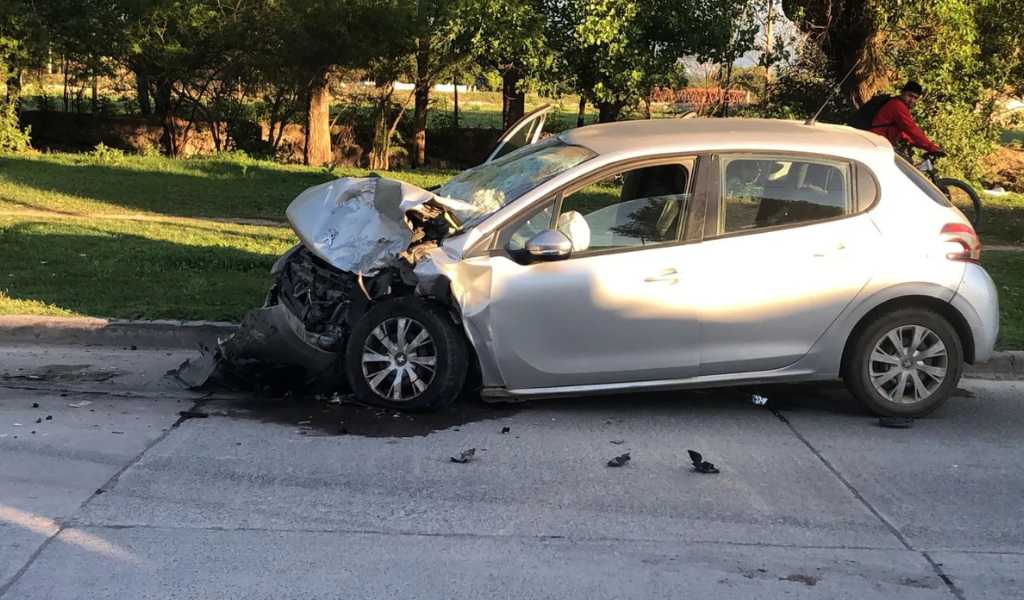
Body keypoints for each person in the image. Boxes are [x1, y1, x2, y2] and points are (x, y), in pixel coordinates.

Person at [870, 81, 943, 156]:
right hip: (877, 142)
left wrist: (913, 142)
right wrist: (931, 147)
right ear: (903, 92)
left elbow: (903, 132)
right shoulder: (898, 106)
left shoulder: (896, 103)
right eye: (910, 96)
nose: (912, 100)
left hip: (878, 141)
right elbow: (911, 129)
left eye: (915, 98)